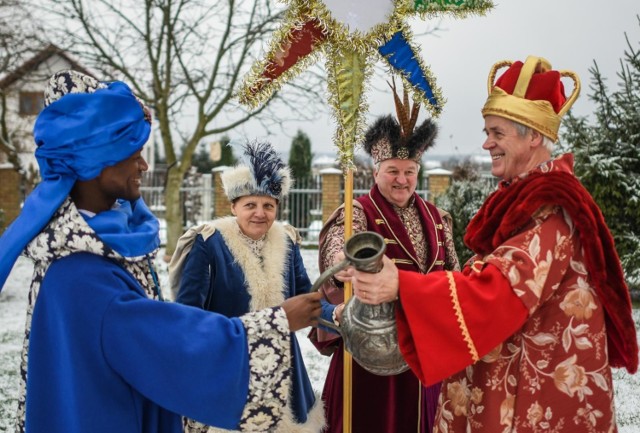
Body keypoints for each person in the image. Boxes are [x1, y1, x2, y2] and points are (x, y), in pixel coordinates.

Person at [0, 70, 322, 433]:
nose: (144, 165)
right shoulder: (80, 271)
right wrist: (276, 324)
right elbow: (166, 341)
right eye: (134, 153)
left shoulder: (98, 246)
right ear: (96, 161)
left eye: (269, 204)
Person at [346, 56, 639, 433]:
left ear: (533, 135)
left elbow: (498, 291)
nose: (487, 143)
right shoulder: (525, 197)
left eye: (497, 133)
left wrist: (403, 285)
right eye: (488, 131)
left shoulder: (551, 209)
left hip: (534, 397)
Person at [311, 85, 460, 433]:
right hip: (370, 354)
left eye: (410, 171)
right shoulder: (356, 213)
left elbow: (456, 275)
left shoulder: (439, 218)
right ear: (376, 171)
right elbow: (339, 251)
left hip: (424, 352)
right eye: (393, 170)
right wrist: (345, 264)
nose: (402, 179)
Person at [169, 141, 325, 433]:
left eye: (268, 205)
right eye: (250, 205)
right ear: (233, 206)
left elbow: (308, 295)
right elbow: (189, 313)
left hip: (284, 369)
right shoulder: (209, 243)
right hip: (228, 366)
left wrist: (338, 311)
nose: (260, 213)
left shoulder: (287, 242)